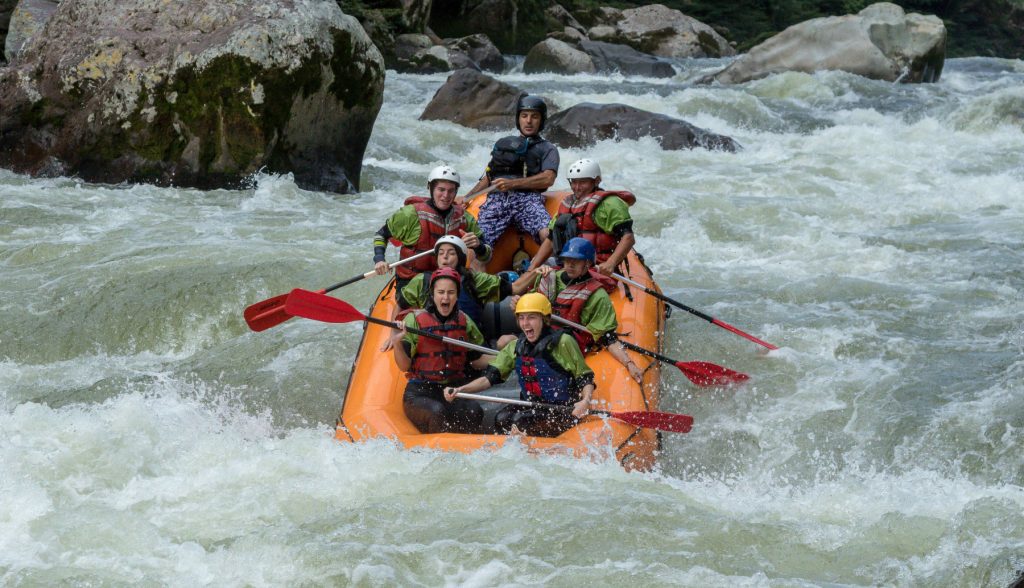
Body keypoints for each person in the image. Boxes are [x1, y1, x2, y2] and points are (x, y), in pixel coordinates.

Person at [444, 293, 595, 437]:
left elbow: (584, 377)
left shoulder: (563, 342)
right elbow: (488, 379)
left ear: (545, 319)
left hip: (562, 408)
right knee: (502, 418)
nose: (525, 323)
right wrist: (460, 389)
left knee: (519, 421)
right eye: (521, 318)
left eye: (532, 318)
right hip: (532, 405)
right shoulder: (516, 346)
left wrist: (585, 401)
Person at [505, 238, 643, 383]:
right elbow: (532, 311)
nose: (570, 264)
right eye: (567, 259)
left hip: (567, 345)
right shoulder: (548, 277)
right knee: (504, 342)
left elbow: (608, 338)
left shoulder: (598, 296)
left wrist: (629, 364)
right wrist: (518, 306)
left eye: (576, 261)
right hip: (541, 335)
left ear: (588, 263)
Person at [390, 267, 493, 434]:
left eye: (451, 292)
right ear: (433, 294)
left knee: (474, 411)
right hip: (420, 392)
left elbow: (476, 360)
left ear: (457, 295)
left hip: (453, 391)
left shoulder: (464, 321)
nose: (446, 297)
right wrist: (397, 343)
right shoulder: (414, 321)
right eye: (441, 292)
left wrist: (507, 357)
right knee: (437, 412)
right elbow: (403, 366)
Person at [373, 165, 492, 295]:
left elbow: (486, 256)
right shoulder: (410, 214)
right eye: (441, 189)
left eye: (451, 191)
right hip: (413, 282)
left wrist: (478, 246)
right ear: (431, 188)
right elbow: (381, 235)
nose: (446, 196)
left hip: (449, 281)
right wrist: (379, 259)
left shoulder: (464, 218)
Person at [463, 95, 559, 249]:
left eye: (534, 116)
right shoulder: (504, 145)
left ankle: (550, 268)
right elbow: (489, 177)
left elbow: (548, 179)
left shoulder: (548, 148)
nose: (528, 121)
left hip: (528, 200)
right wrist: (469, 196)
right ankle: (477, 273)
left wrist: (512, 183)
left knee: (548, 234)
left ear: (541, 120)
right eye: (524, 116)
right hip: (497, 201)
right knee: (476, 244)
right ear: (518, 119)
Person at [398, 235, 539, 329]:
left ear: (460, 258)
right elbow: (400, 305)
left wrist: (537, 270)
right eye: (441, 253)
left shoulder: (475, 280)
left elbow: (516, 288)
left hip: (469, 339)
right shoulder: (421, 281)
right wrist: (393, 334)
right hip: (434, 339)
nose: (445, 257)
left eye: (451, 253)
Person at [527, 158, 636, 276]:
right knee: (535, 270)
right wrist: (531, 269)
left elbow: (628, 238)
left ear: (596, 181)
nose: (577, 187)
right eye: (574, 182)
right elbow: (551, 239)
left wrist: (610, 263)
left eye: (583, 182)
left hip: (595, 266)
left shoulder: (610, 203)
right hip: (568, 264)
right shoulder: (567, 204)